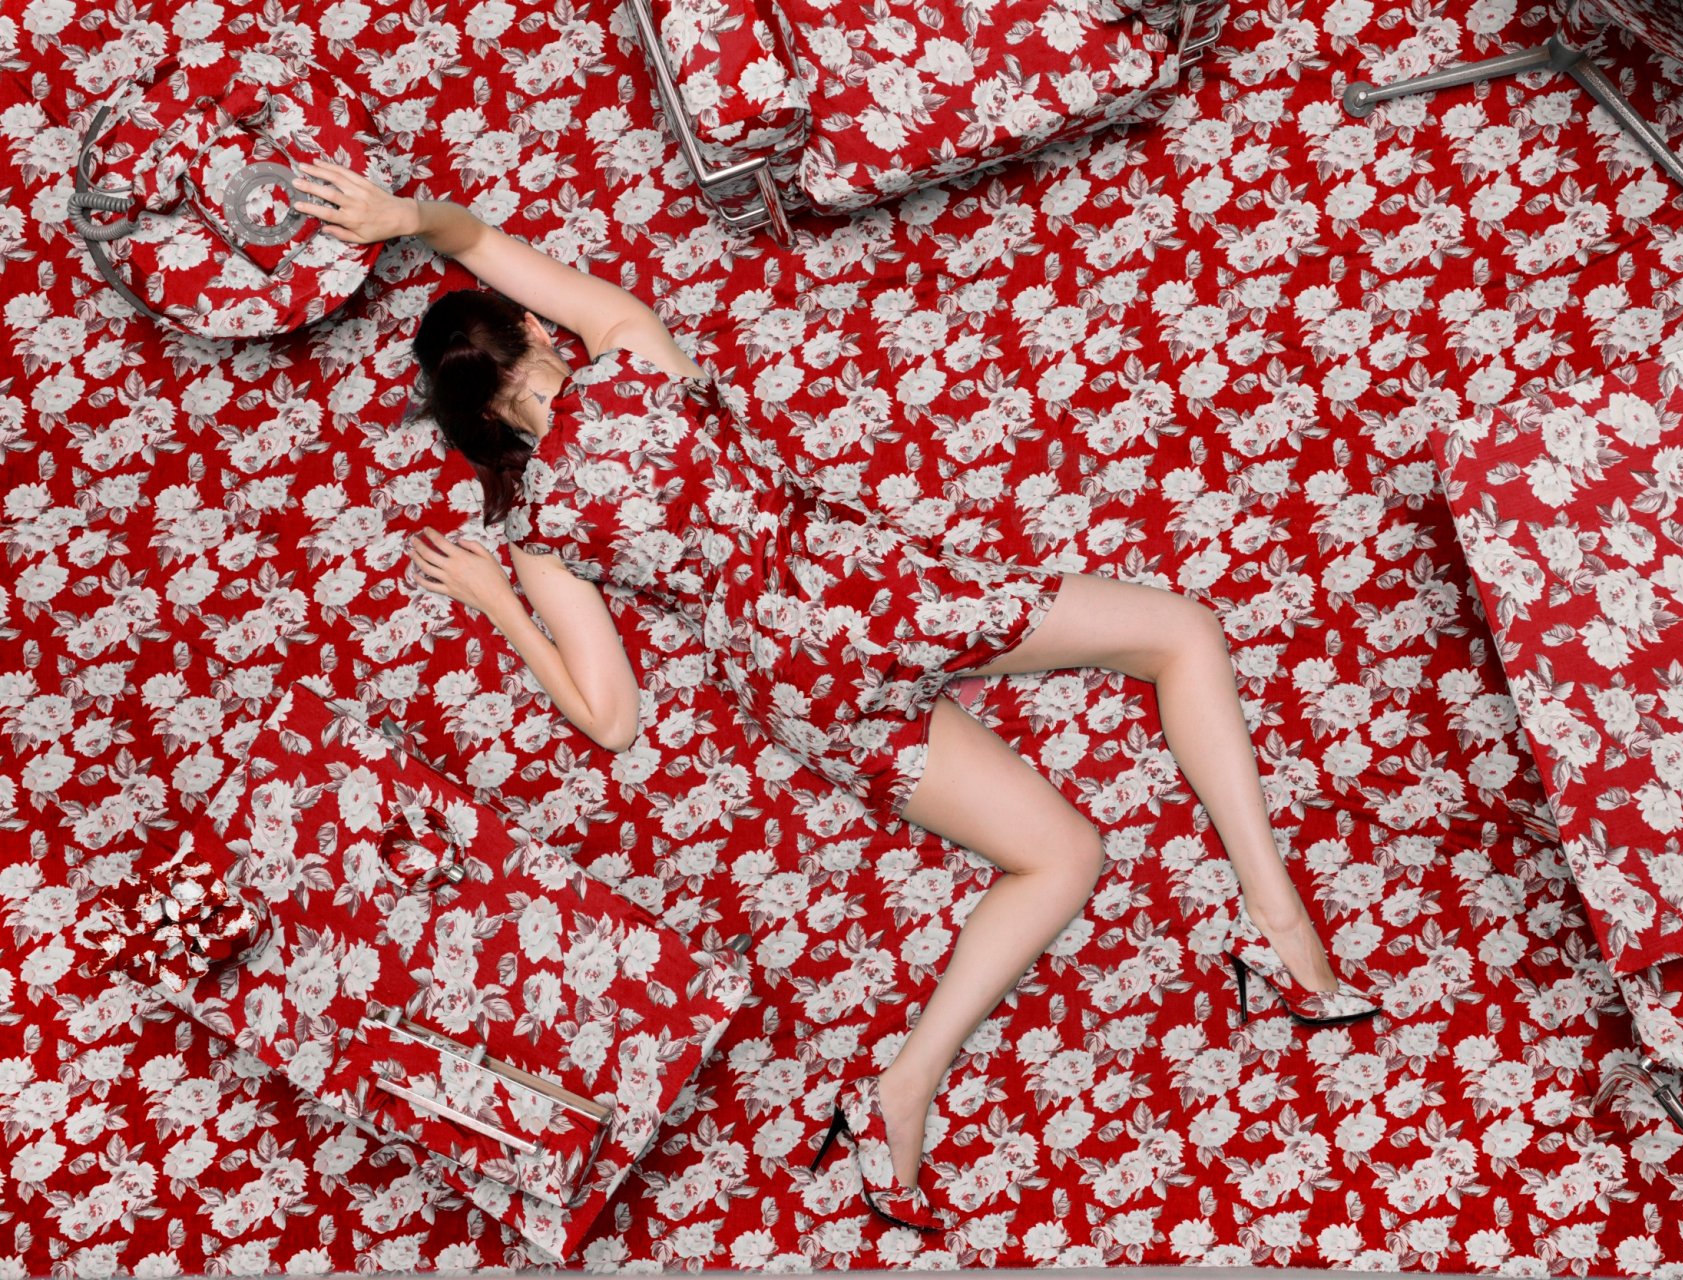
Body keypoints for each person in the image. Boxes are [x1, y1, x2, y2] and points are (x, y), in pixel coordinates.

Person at [290, 161, 1382, 1230]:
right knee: (1183, 633)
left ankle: (897, 1093)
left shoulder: (537, 535)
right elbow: (479, 239)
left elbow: (612, 722)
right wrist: (404, 215)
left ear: (477, 432)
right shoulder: (629, 349)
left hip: (792, 682)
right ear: (534, 330)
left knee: (1062, 854)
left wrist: (498, 599)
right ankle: (1282, 927)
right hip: (865, 593)